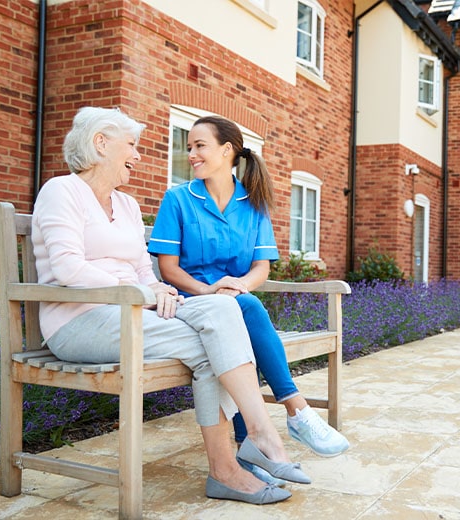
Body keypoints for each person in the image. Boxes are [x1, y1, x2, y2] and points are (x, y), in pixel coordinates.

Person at [31, 106, 308, 506]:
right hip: (80, 321)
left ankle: (253, 443)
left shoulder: (125, 205)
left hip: (133, 312)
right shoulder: (62, 191)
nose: (139, 156)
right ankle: (241, 456)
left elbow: (145, 268)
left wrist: (158, 290)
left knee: (225, 309)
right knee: (212, 347)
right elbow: (68, 267)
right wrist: (145, 293)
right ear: (100, 144)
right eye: (132, 146)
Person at [148, 116, 350, 466]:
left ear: (227, 151)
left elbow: (261, 268)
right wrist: (211, 290)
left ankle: (249, 448)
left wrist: (237, 287)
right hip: (188, 302)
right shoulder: (178, 199)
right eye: (189, 147)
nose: (191, 154)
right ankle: (296, 410)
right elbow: (168, 269)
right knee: (247, 310)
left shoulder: (253, 203)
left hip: (235, 302)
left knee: (242, 312)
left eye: (199, 146)